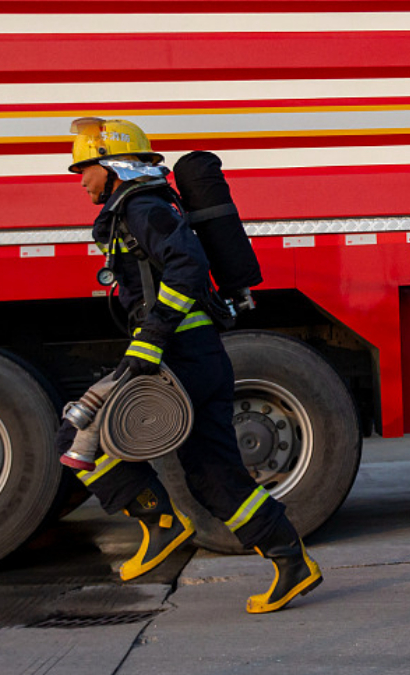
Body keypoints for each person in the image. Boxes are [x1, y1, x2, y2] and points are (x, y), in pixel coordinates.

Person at [58, 117, 322, 614]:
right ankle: (291, 562)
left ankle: (161, 523)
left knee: (76, 434)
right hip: (199, 355)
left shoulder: (143, 207)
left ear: (113, 167)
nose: (81, 179)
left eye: (85, 168)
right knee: (213, 473)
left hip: (177, 352)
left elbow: (187, 266)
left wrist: (153, 336)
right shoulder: (139, 207)